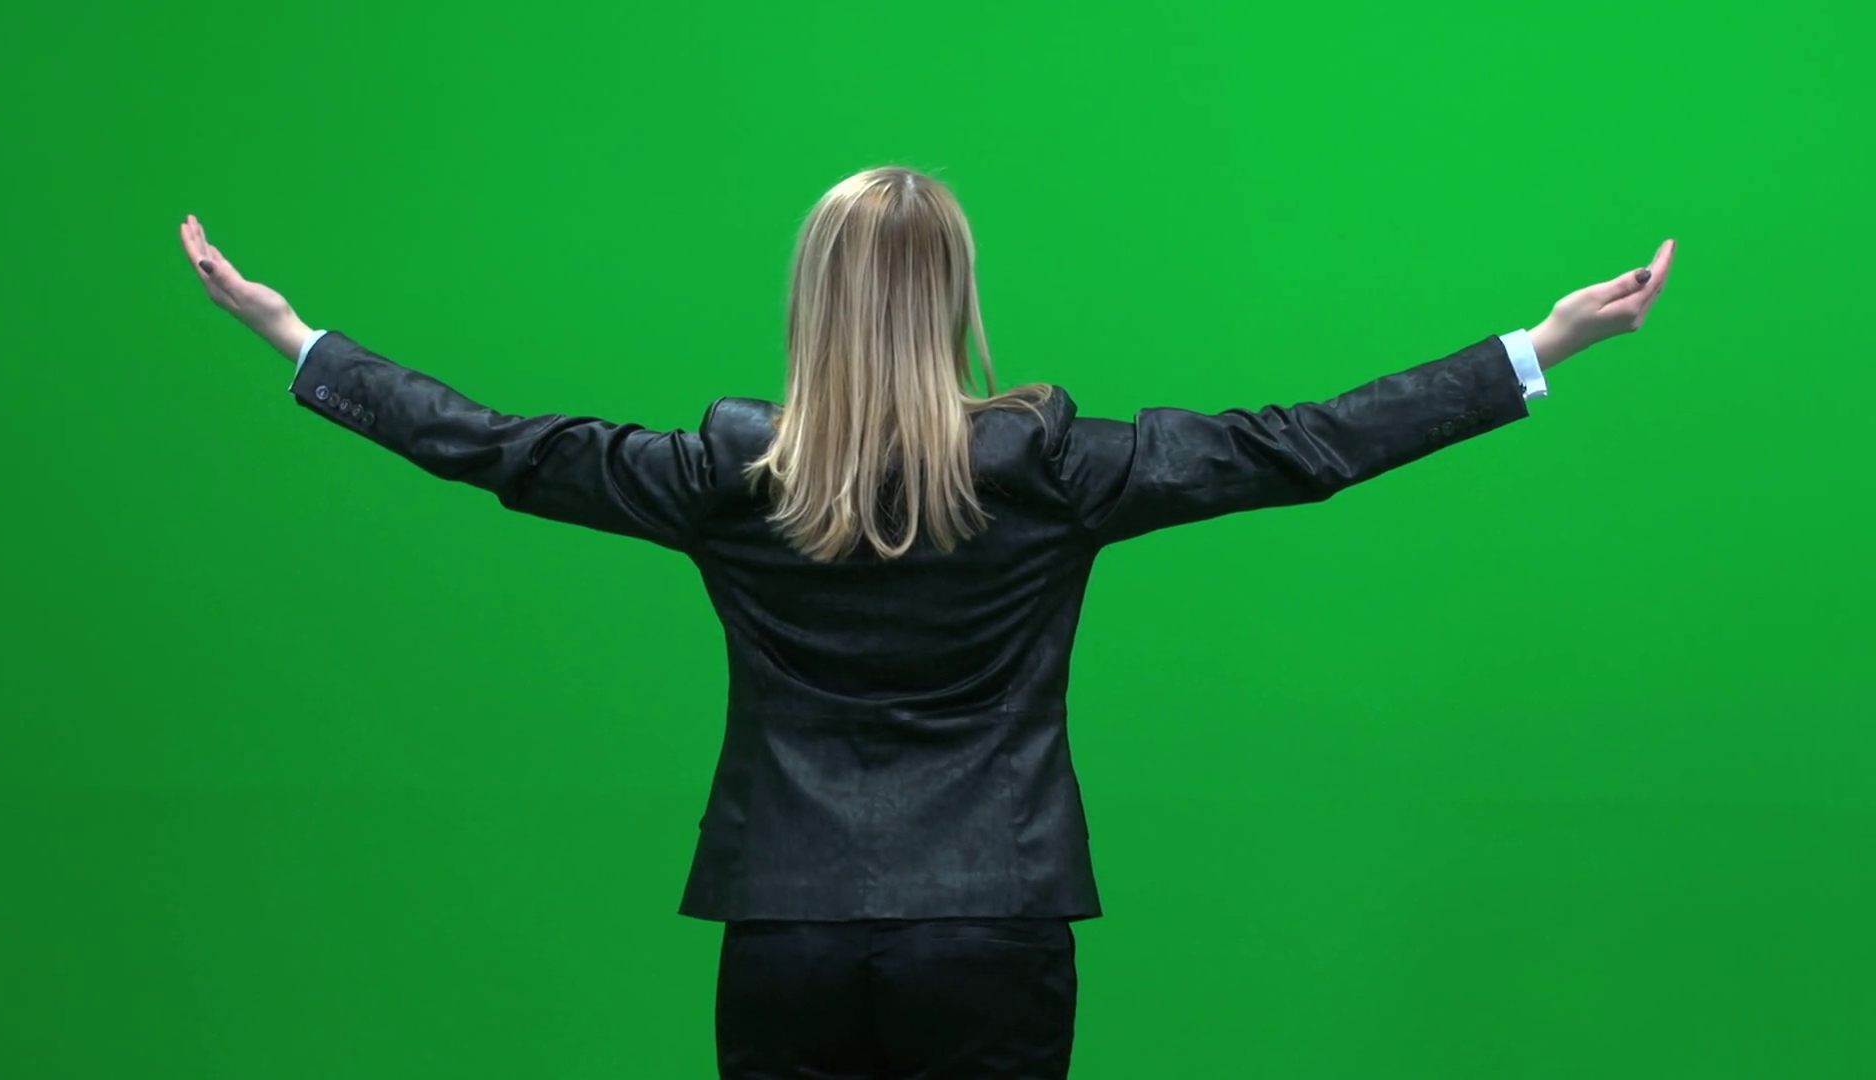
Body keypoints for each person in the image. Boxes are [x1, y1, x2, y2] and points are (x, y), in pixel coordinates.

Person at [179, 167, 1675, 1080]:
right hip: (993, 929)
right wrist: (1537, 347)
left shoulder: (728, 475)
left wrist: (296, 339)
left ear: (811, 300)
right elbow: (1305, 446)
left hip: (786, 932)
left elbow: (500, 448)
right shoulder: (1056, 470)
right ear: (956, 299)